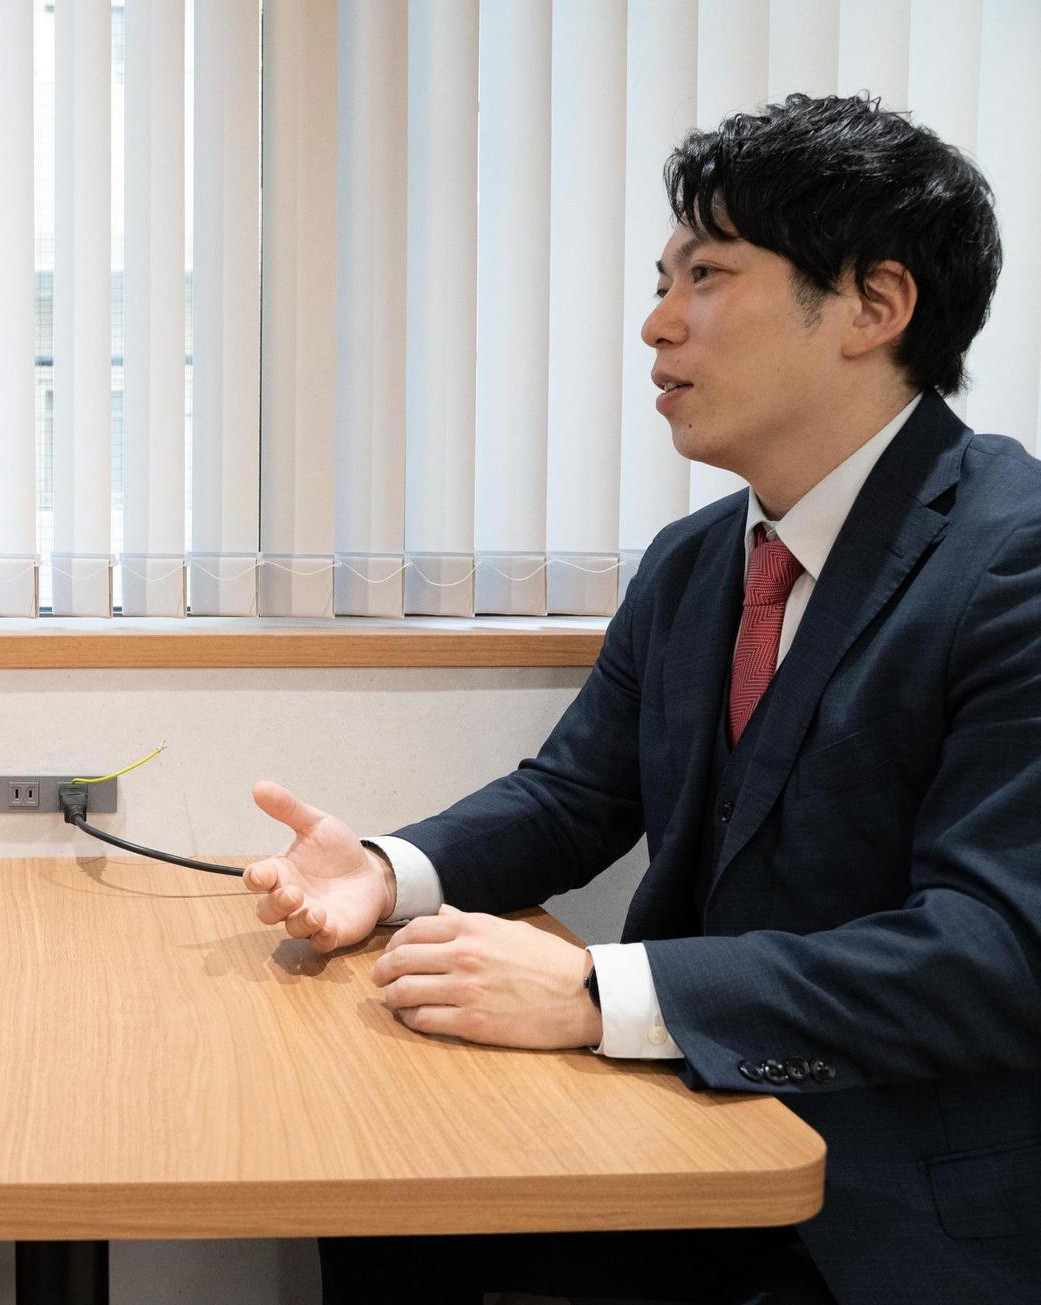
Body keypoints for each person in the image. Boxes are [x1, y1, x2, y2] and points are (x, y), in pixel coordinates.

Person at [244, 94, 1038, 1304]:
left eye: (705, 275)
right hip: (694, 1124)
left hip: (895, 1199)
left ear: (875, 306)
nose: (656, 322)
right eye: (662, 281)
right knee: (371, 1195)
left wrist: (594, 992)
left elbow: (993, 953)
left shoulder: (1012, 560)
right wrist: (387, 874)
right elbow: (575, 796)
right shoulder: (698, 557)